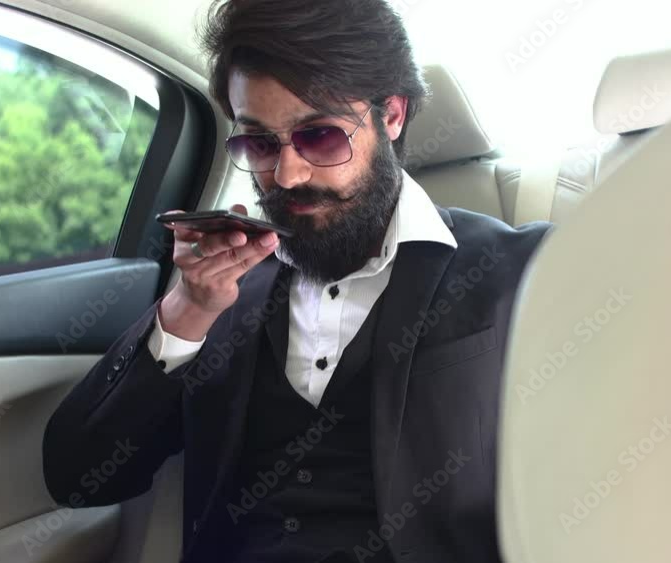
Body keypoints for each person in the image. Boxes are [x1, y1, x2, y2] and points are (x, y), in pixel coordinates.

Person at [42, 1, 551, 561]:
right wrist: (188, 309)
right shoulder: (223, 287)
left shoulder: (522, 269)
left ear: (392, 115)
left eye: (321, 136)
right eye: (260, 144)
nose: (287, 175)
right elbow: (79, 478)